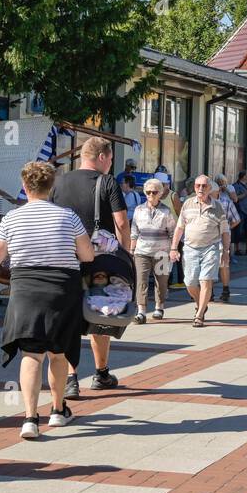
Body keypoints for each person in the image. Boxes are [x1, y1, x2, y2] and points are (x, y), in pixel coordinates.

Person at [0, 162, 94, 439]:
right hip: (61, 290)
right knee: (58, 353)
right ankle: (57, 411)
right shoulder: (68, 217)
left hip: (25, 290)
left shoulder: (11, 219)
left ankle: (30, 418)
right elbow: (88, 255)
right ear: (51, 187)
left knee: (31, 355)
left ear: (25, 187)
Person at [51, 136, 129, 396]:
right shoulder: (107, 182)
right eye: (111, 159)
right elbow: (121, 223)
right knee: (100, 312)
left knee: (71, 317)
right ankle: (101, 373)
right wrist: (125, 252)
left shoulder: (59, 181)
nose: (110, 164)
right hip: (99, 261)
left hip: (66, 259)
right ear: (103, 157)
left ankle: (72, 378)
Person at [171, 175, 231, 327]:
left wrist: (225, 251)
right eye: (198, 186)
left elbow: (225, 231)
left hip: (211, 248)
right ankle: (201, 303)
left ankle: (199, 315)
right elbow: (179, 227)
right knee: (190, 283)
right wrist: (173, 248)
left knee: (205, 281)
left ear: (210, 188)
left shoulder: (218, 207)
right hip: (190, 248)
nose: (200, 189)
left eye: (204, 186)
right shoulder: (187, 204)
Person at [130, 178, 175, 323]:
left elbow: (173, 232)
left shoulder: (166, 211)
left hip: (162, 252)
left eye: (154, 192)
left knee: (161, 281)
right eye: (148, 192)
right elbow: (134, 231)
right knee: (141, 281)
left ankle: (159, 306)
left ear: (160, 193)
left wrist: (173, 249)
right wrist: (132, 249)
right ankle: (141, 311)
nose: (151, 195)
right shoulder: (139, 210)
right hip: (142, 251)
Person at [212, 176, 240, 302]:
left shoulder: (226, 202)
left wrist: (226, 228)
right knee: (218, 264)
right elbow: (236, 219)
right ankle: (221, 289)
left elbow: (236, 220)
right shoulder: (226, 201)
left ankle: (224, 290)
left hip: (220, 237)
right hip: (215, 237)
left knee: (222, 264)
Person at [232, 170, 247, 255]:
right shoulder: (236, 186)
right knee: (238, 230)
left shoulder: (246, 185)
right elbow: (235, 198)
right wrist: (245, 194)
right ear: (244, 176)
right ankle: (237, 249)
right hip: (240, 210)